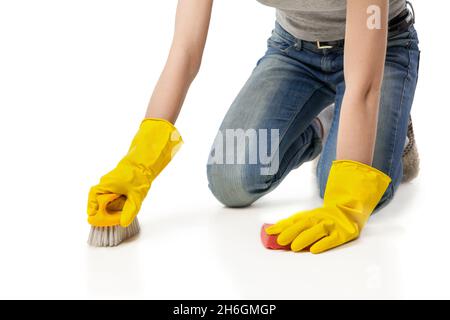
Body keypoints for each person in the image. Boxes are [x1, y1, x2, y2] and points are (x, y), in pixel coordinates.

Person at [87, 0, 420, 253]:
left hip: (383, 51)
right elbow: (184, 50)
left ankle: (396, 129)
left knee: (346, 189)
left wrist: (346, 204)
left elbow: (363, 86)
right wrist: (138, 163)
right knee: (230, 179)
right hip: (294, 51)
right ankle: (327, 123)